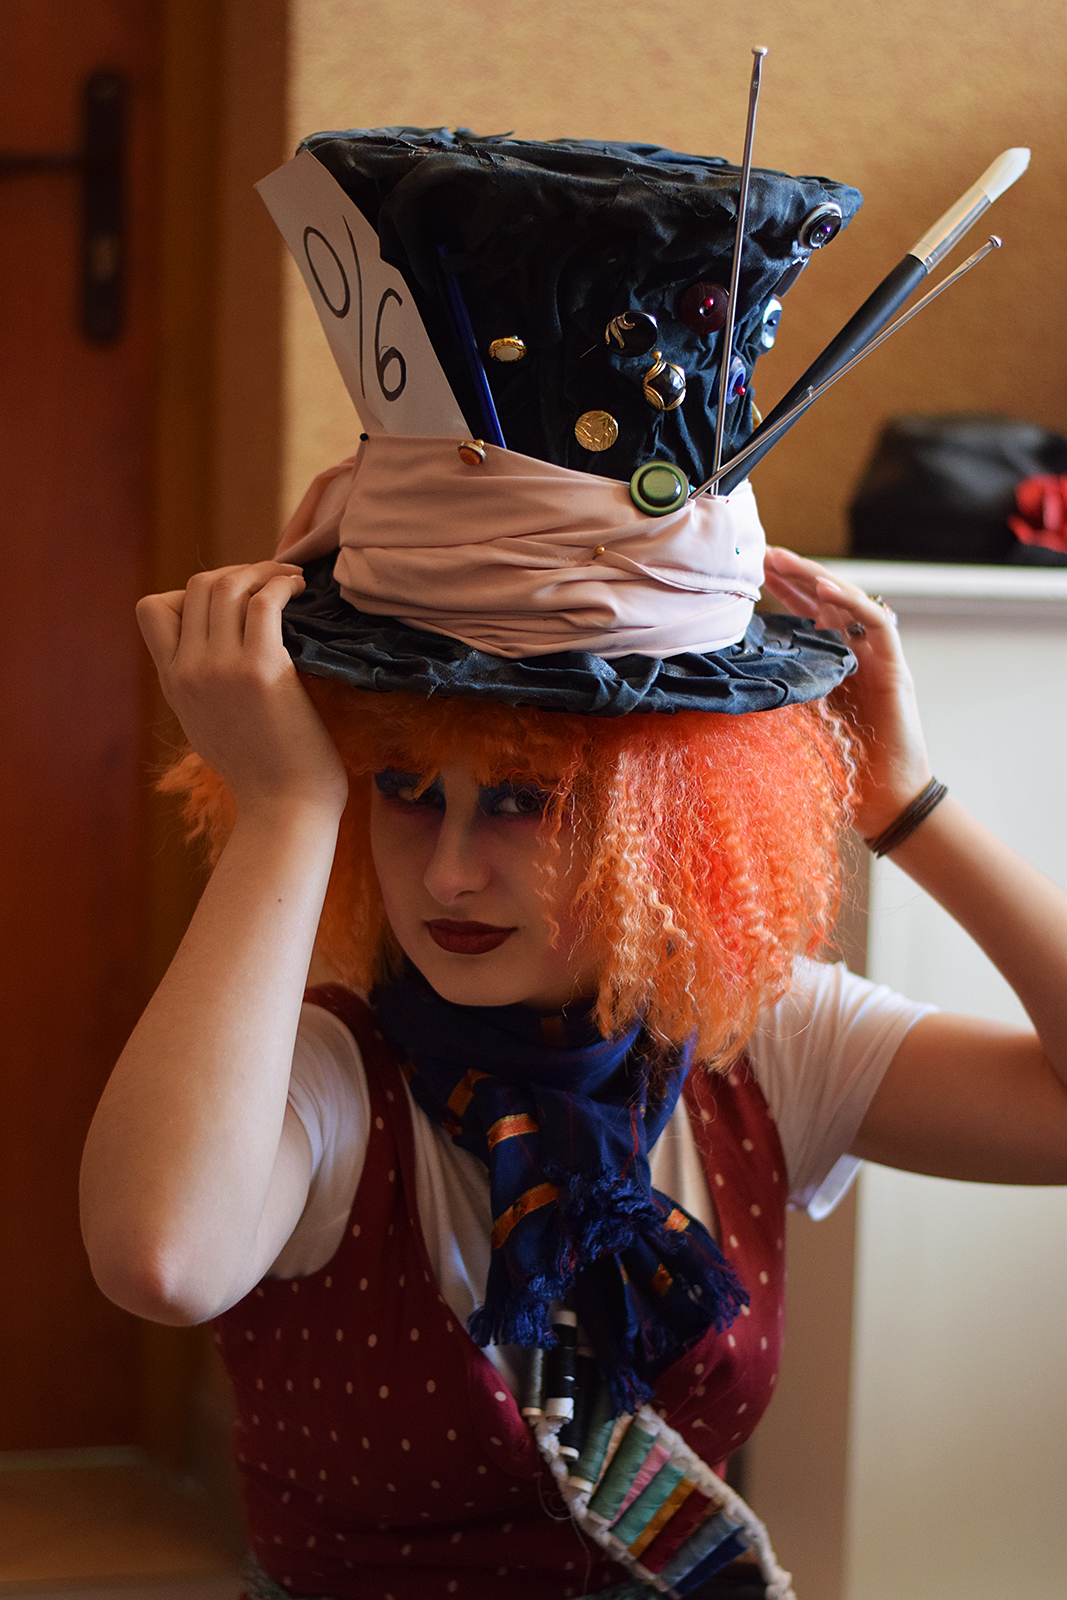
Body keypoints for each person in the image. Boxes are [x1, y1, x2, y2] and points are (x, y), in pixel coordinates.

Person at [80, 128, 1067, 1600]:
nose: (448, 874)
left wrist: (906, 803)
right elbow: (161, 1257)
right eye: (401, 791)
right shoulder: (328, 1084)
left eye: (526, 805)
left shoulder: (757, 1047)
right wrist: (285, 807)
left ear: (674, 821)